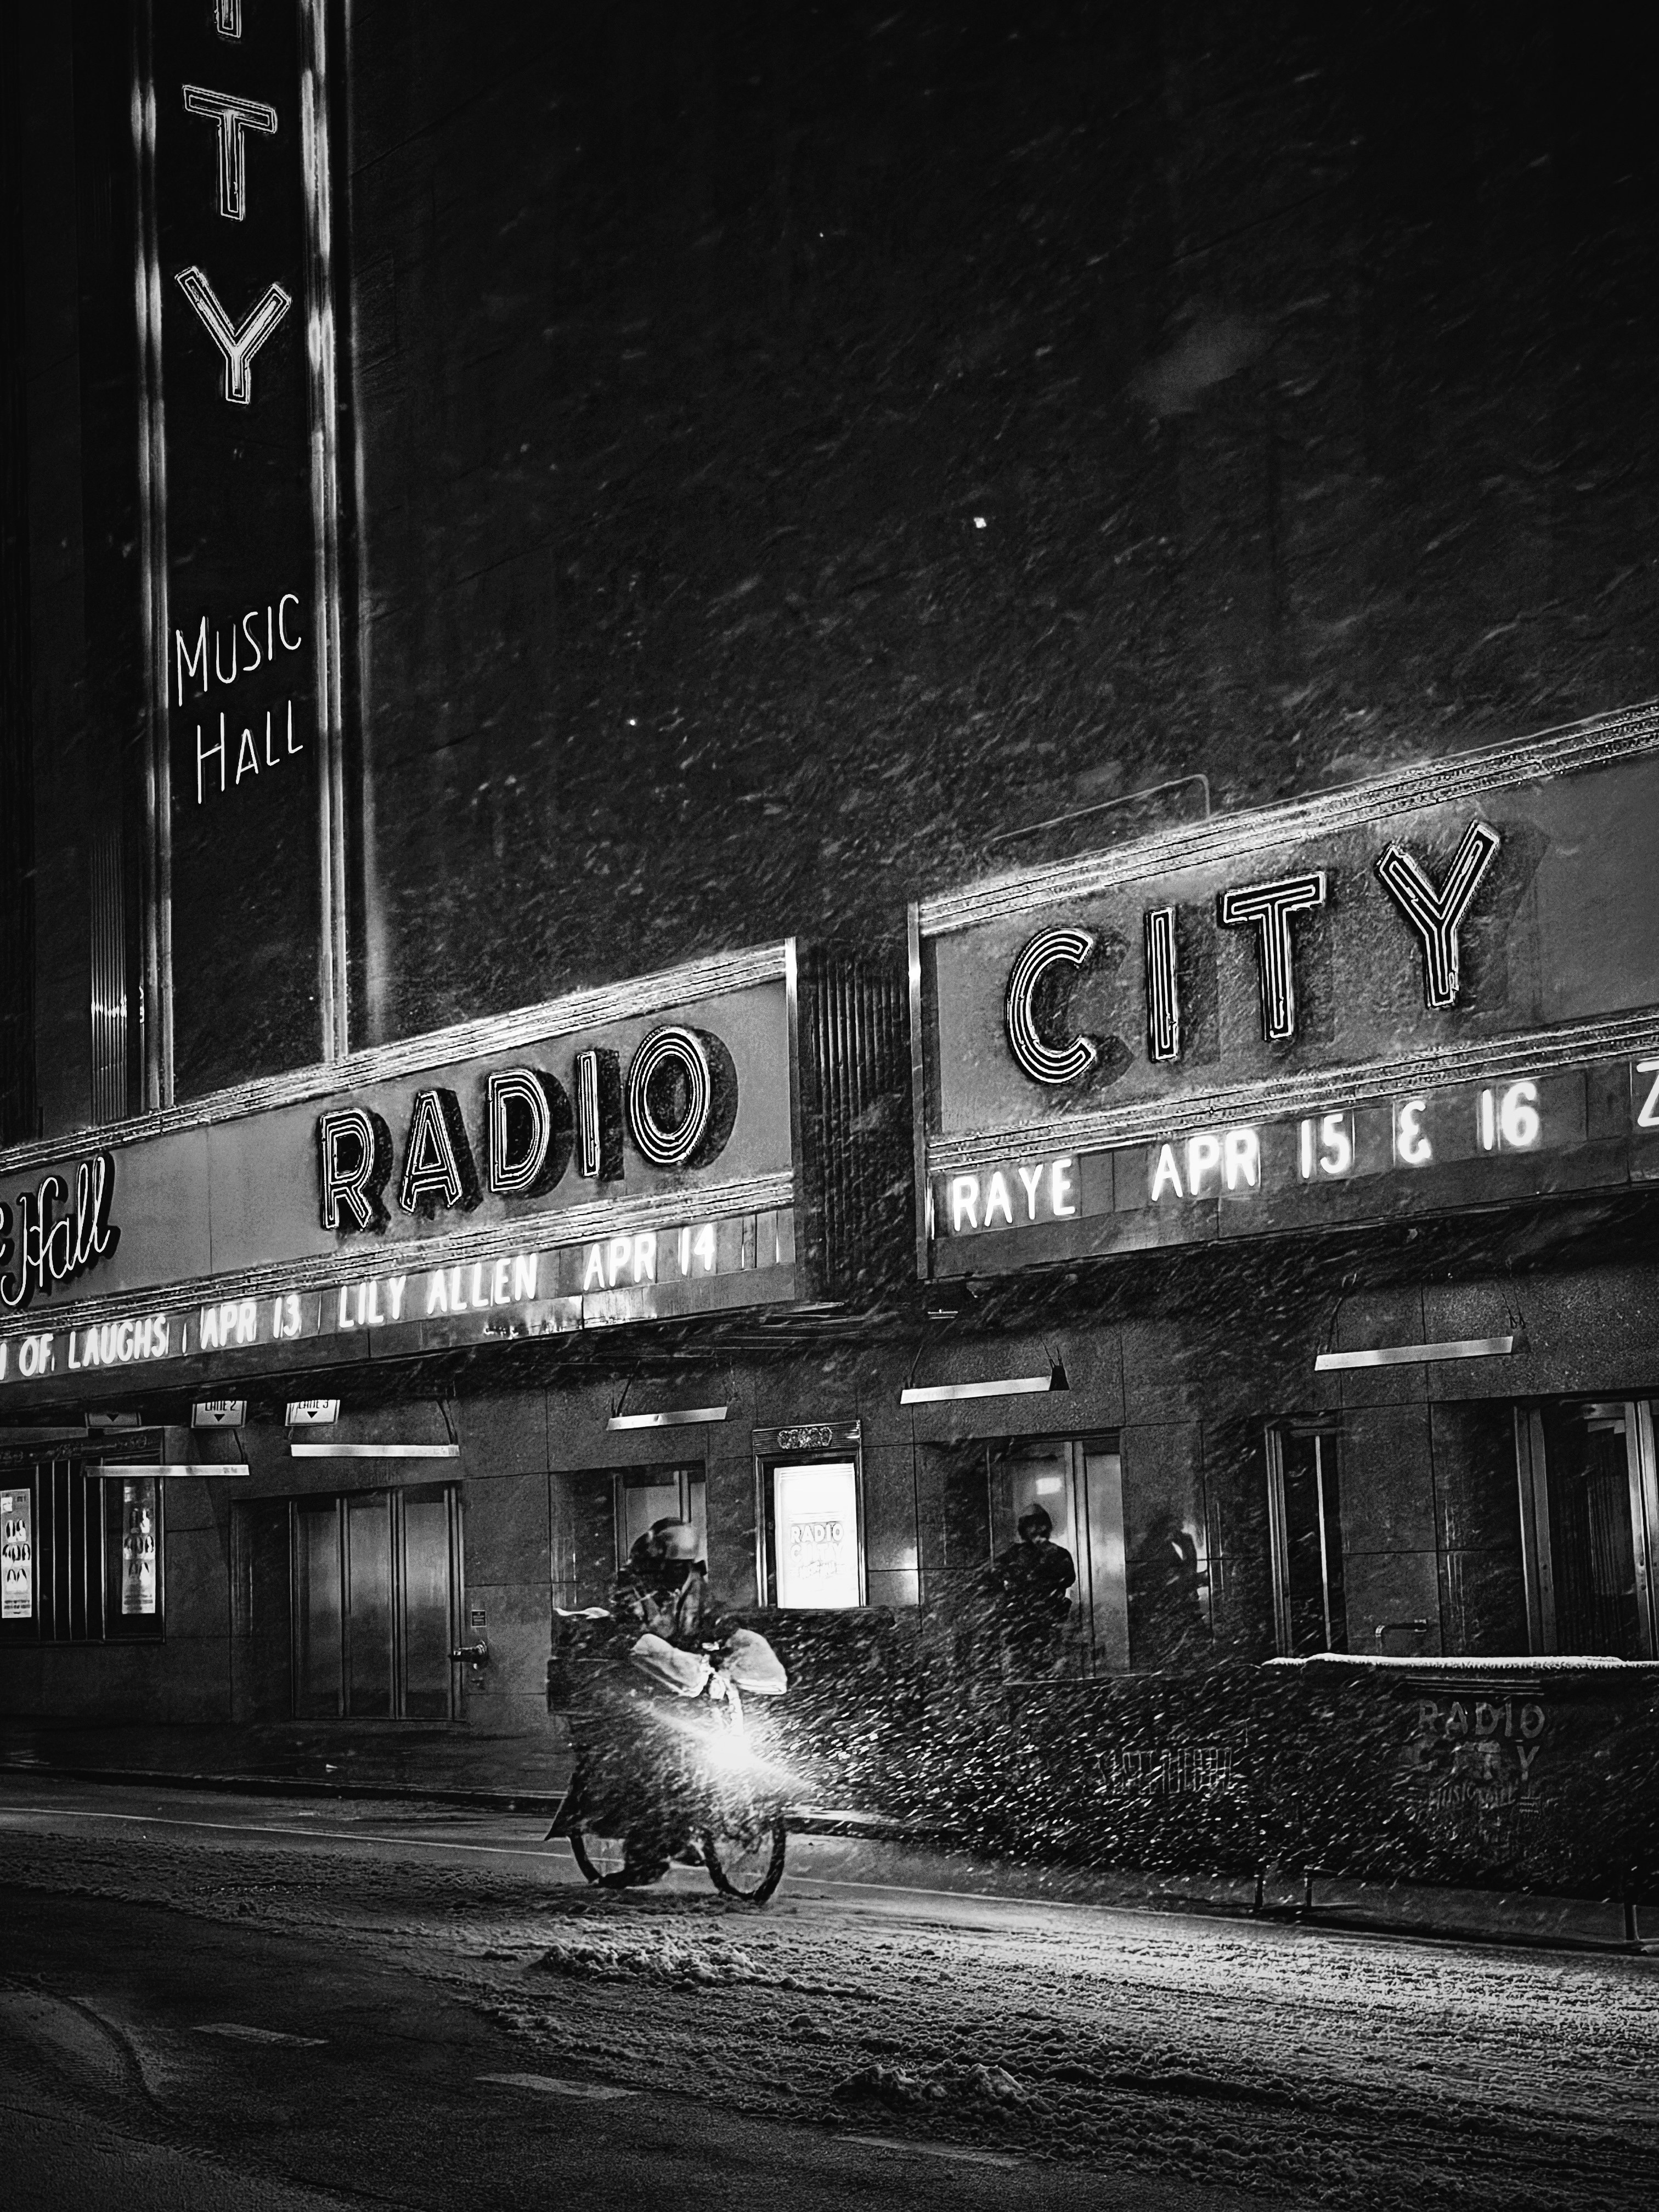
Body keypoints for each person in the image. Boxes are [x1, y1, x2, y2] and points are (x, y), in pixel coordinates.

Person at [988, 1504, 1076, 1674]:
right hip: (1022, 1622)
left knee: (1051, 1667)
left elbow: (1067, 1579)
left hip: (1049, 1619)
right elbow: (993, 1577)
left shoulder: (1058, 1554)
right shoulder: (1014, 1554)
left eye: (1040, 1524)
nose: (1036, 1529)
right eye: (1032, 1525)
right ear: (1024, 1528)